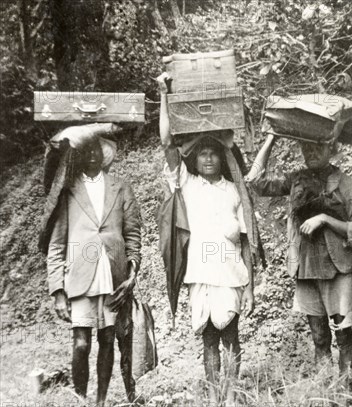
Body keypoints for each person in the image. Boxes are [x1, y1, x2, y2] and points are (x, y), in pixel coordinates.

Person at [157, 73, 255, 406]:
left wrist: (251, 288)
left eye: (214, 153)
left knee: (231, 336)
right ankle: (215, 397)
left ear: (222, 159)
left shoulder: (233, 191)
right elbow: (168, 144)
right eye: (203, 154)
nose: (209, 158)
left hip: (229, 275)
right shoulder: (188, 185)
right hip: (199, 274)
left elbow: (245, 241)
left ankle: (231, 395)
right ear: (195, 159)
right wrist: (164, 95)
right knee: (209, 339)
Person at [247, 133, 352, 380]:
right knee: (319, 337)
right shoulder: (296, 180)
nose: (311, 151)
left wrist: (325, 219)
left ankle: (348, 391)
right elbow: (255, 182)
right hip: (306, 268)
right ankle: (324, 391)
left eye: (318, 145)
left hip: (338, 269)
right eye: (306, 145)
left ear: (332, 147)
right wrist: (271, 139)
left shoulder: (348, 186)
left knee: (344, 335)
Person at [46, 132, 142, 406]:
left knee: (108, 340)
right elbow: (56, 243)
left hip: (113, 276)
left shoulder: (120, 187)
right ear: (79, 157)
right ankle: (81, 398)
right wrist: (58, 291)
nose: (92, 156)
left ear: (105, 156)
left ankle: (100, 401)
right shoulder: (68, 190)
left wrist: (132, 273)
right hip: (80, 276)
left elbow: (133, 234)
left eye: (97, 151)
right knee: (81, 343)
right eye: (86, 151)